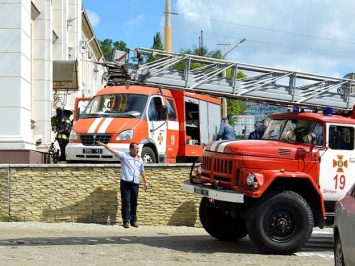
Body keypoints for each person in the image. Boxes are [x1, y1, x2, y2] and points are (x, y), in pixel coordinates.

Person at [96, 141, 148, 229]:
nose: (138, 150)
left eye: (138, 148)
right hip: (126, 182)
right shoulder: (125, 156)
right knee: (126, 202)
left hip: (135, 183)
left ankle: (133, 220)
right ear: (131, 149)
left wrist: (145, 182)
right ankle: (125, 220)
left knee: (134, 203)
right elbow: (114, 151)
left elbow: (142, 171)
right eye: (136, 149)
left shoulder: (140, 159)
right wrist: (104, 145)